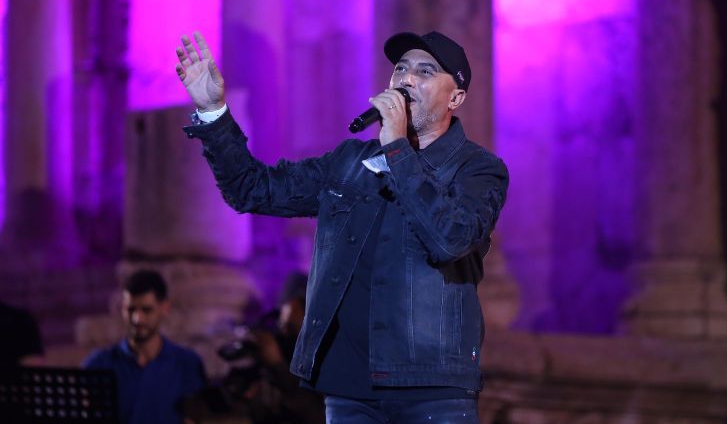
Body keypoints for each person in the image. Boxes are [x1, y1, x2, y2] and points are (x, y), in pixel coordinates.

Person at [175, 30, 509, 423]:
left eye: (425, 71)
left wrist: (397, 149)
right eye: (401, 68)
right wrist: (213, 114)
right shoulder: (350, 162)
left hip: (431, 391)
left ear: (456, 98)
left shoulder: (478, 169)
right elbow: (252, 189)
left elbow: (450, 239)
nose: (406, 79)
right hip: (349, 391)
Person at [83, 269, 207, 424]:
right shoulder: (99, 364)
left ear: (165, 308)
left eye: (146, 310)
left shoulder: (187, 363)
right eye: (131, 310)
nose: (137, 319)